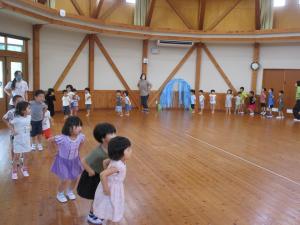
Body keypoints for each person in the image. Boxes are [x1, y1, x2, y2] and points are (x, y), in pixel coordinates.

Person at [77, 123, 116, 225]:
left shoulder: (111, 147)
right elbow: (83, 161)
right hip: (94, 178)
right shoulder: (97, 153)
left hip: (102, 175)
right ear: (103, 139)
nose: (114, 135)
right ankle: (91, 216)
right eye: (111, 134)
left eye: (114, 133)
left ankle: (97, 214)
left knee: (101, 197)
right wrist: (90, 171)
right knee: (97, 197)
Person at [93, 136, 132, 224]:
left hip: (114, 185)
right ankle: (108, 221)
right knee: (112, 206)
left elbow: (104, 162)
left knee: (111, 207)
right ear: (120, 153)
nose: (131, 152)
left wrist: (110, 176)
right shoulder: (118, 165)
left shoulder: (116, 160)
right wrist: (106, 189)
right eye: (128, 150)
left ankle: (109, 221)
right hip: (113, 189)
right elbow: (103, 174)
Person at [49, 116, 85, 203]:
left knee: (75, 177)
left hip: (75, 160)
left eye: (80, 125)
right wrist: (55, 150)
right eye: (77, 126)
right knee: (64, 179)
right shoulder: (62, 138)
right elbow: (51, 140)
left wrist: (78, 151)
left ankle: (70, 191)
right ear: (69, 128)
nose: (80, 128)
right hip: (63, 161)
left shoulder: (81, 137)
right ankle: (60, 193)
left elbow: (82, 143)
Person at [9, 101, 31, 180]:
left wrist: (30, 126)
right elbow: (10, 123)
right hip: (18, 141)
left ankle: (24, 168)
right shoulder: (17, 119)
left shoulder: (29, 117)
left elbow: (29, 123)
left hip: (27, 140)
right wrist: (13, 131)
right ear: (23, 111)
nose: (30, 110)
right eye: (28, 108)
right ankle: (14, 171)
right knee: (16, 157)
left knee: (27, 155)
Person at [2, 95, 23, 162]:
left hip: (22, 133)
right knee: (13, 147)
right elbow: (4, 118)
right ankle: (13, 159)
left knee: (22, 145)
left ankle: (21, 158)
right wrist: (9, 126)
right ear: (14, 103)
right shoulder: (11, 112)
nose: (20, 103)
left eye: (21, 101)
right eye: (18, 101)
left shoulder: (24, 111)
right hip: (13, 133)